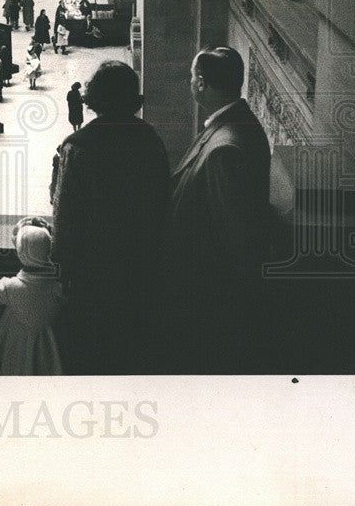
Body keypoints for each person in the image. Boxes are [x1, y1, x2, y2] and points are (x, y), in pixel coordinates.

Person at [50, 61, 170, 375]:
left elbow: (64, 218)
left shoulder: (78, 148)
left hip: (93, 275)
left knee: (92, 356)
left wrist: (61, 273)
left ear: (95, 99)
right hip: (141, 268)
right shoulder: (149, 139)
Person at [167, 47, 272, 373]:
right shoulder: (234, 122)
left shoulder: (225, 149)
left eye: (191, 77)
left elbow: (235, 238)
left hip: (208, 301)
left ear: (201, 83)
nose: (190, 82)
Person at [0, 219, 64, 375]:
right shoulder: (57, 288)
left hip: (17, 349)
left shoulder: (11, 287)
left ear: (19, 252)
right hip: (48, 353)